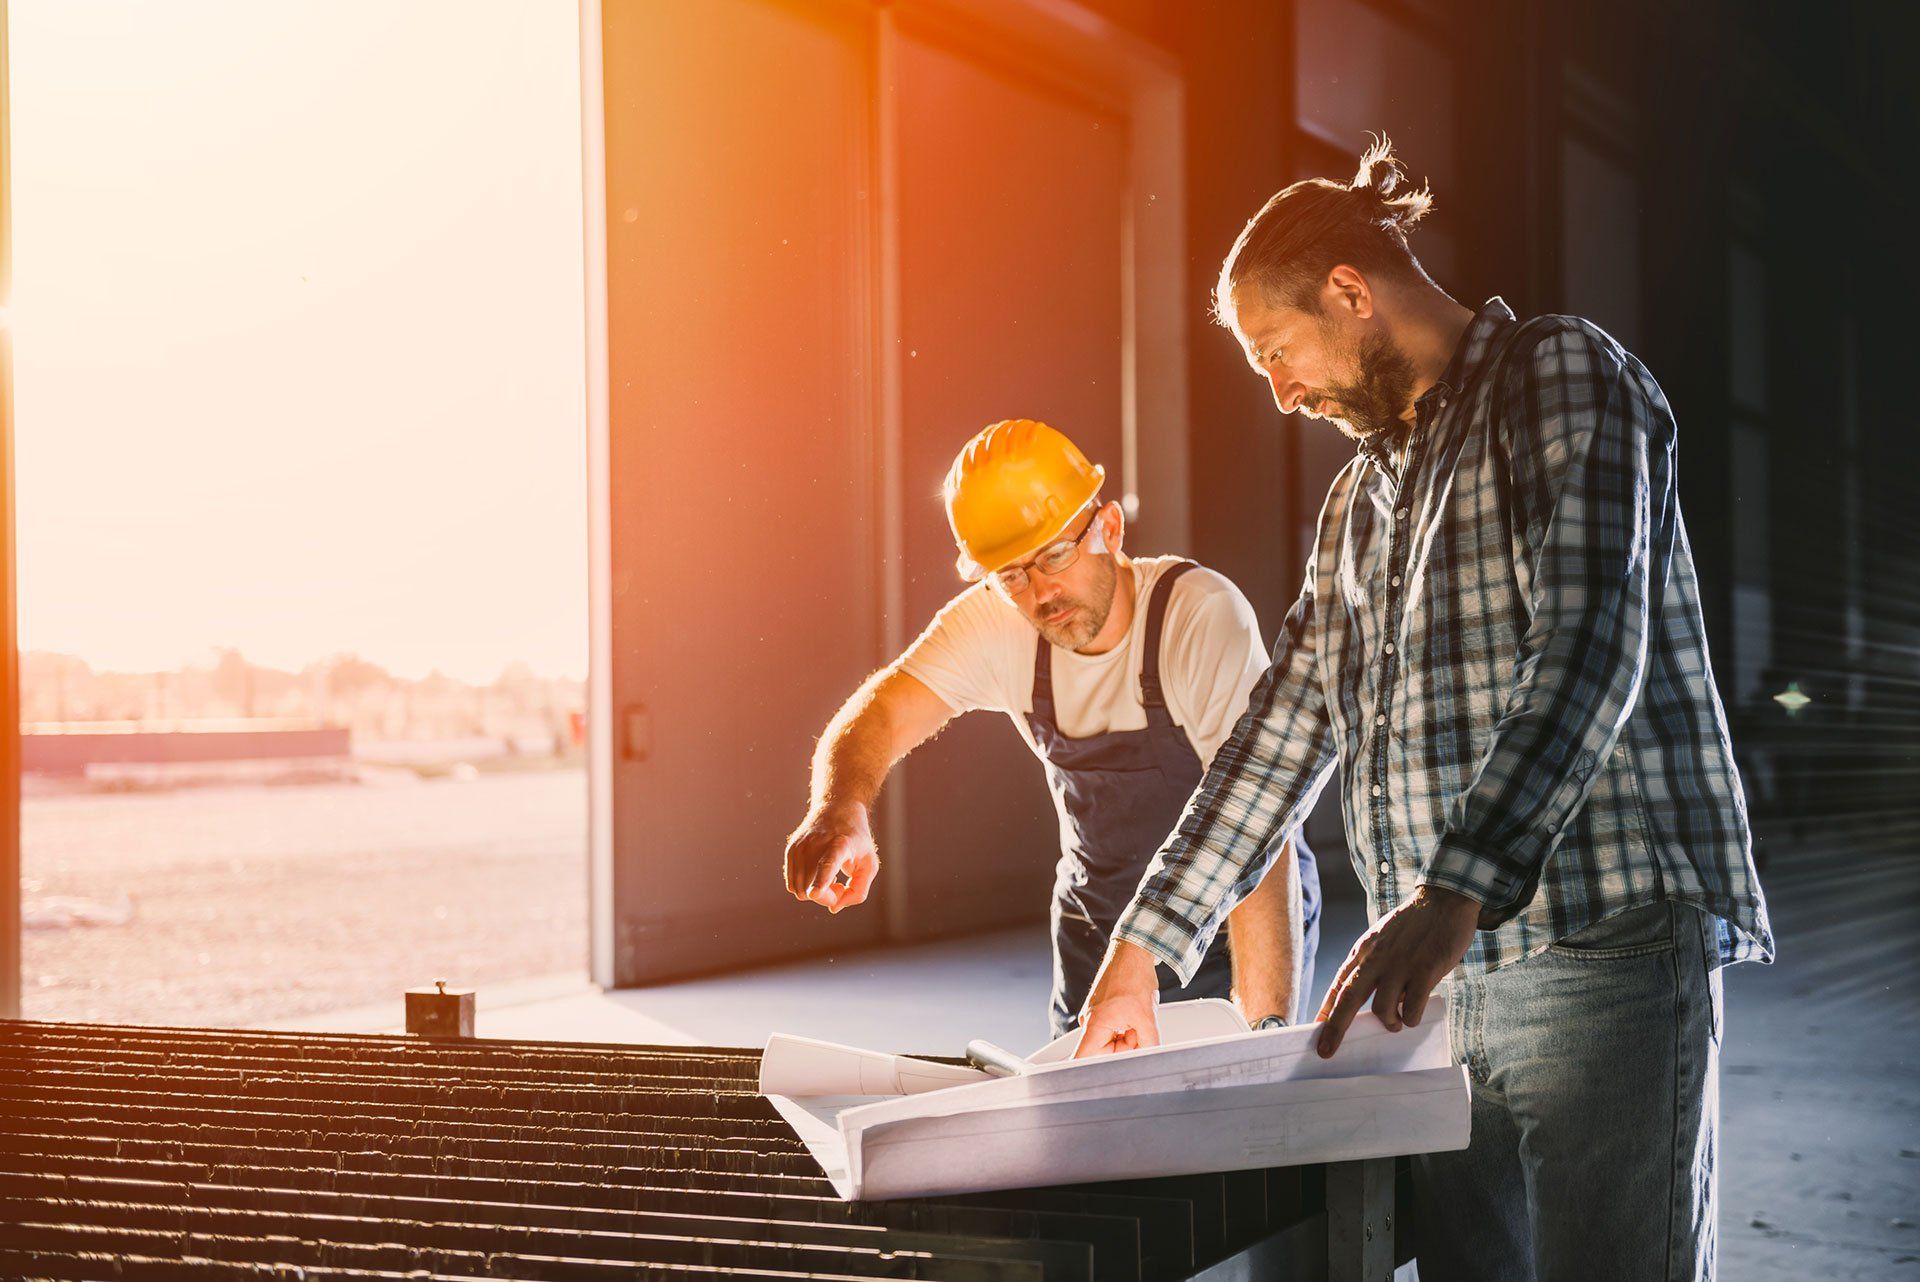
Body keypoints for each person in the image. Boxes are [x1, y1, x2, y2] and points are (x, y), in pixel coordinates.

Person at [1072, 139, 1772, 1281]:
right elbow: (1280, 730)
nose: (1281, 391)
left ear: (1351, 291)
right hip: (1435, 982)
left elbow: (1589, 645)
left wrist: (1457, 890)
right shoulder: (1360, 499)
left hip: (1599, 956)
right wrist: (1146, 944)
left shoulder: (1560, 377)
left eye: (1277, 351)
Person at [783, 419, 1321, 1036]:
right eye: (1012, 575)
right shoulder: (997, 623)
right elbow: (881, 710)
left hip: (1229, 929)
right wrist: (839, 805)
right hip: (1096, 933)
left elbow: (1256, 828)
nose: (1041, 593)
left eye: (1057, 555)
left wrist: (1261, 1032)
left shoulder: (1198, 617)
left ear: (1110, 528)